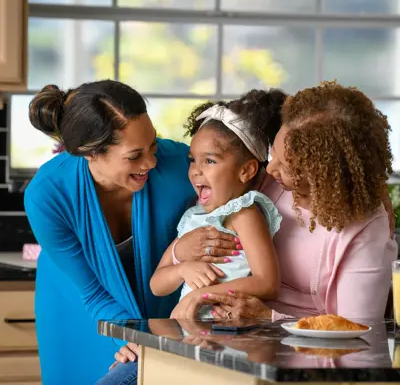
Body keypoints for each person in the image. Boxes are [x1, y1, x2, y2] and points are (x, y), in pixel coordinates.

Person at [24, 80, 239, 385]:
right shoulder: (47, 195)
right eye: (134, 155)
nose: (151, 162)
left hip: (158, 300)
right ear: (90, 153)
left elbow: (241, 198)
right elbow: (92, 292)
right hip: (78, 305)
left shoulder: (179, 165)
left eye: (154, 144)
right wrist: (128, 336)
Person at [170, 81, 398, 322]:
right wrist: (178, 252)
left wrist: (271, 317)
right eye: (272, 154)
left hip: (307, 351)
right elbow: (212, 160)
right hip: (231, 333)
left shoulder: (366, 228)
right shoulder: (264, 183)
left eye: (287, 167)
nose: (270, 168)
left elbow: (357, 330)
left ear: (323, 175)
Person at [149, 100, 284, 319]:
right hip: (190, 331)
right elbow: (157, 285)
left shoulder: (244, 213)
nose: (195, 171)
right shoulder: (195, 217)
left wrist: (201, 295)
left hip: (228, 333)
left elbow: (267, 283)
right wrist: (182, 269)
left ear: (246, 170)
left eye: (209, 161)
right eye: (192, 160)